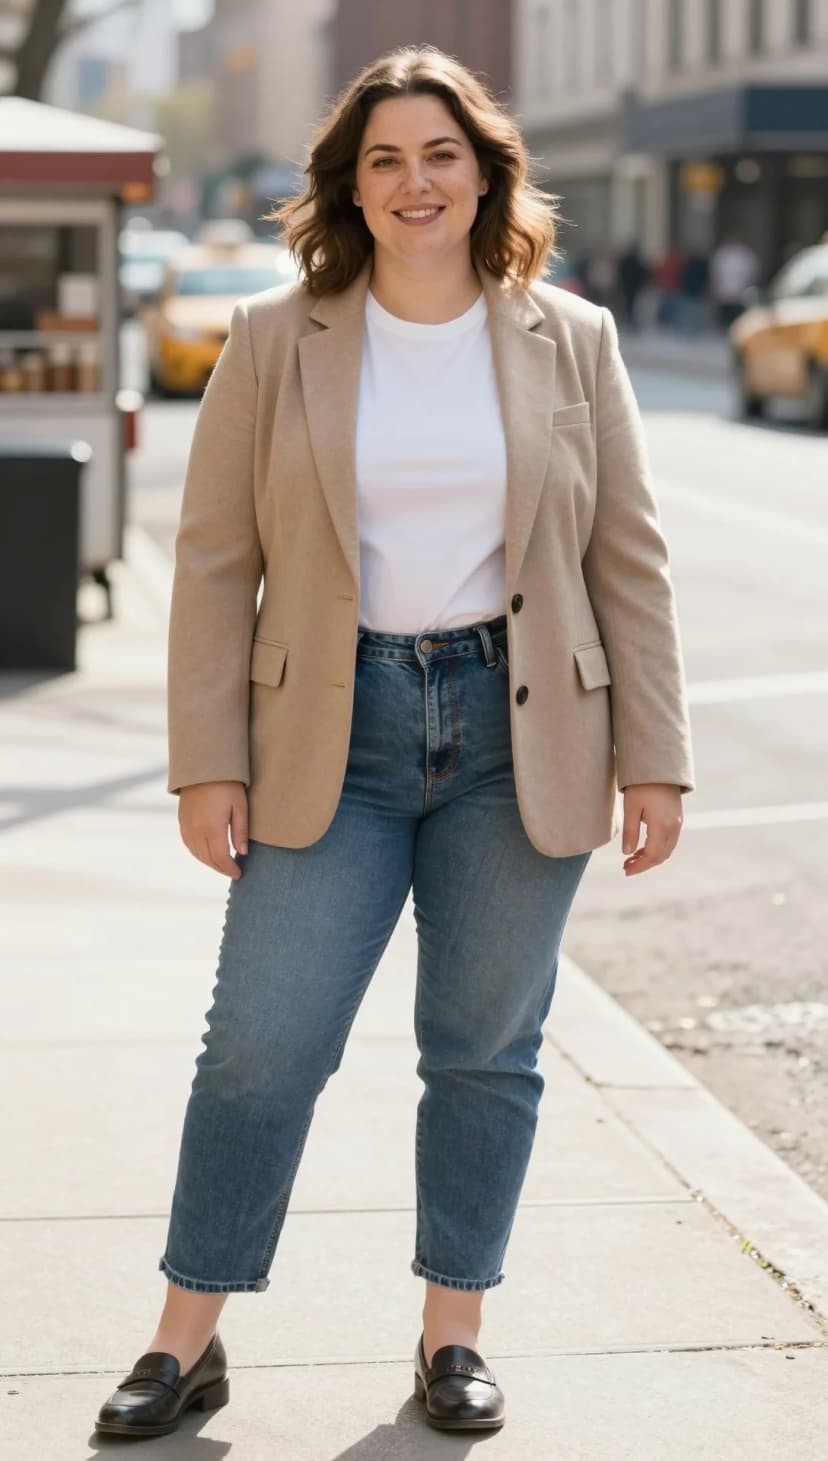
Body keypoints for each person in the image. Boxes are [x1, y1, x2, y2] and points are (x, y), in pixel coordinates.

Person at [95, 44, 694, 1440]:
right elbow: (207, 564)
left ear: (484, 173)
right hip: (332, 726)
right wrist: (207, 759)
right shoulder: (271, 336)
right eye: (384, 159)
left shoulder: (574, 338)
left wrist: (654, 756)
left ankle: (452, 1333)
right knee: (263, 1041)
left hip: (520, 726)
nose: (414, 182)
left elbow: (630, 561)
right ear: (349, 187)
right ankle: (189, 1335)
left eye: (440, 155)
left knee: (485, 1047)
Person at [709, 233, 761, 329]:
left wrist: (748, 285)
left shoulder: (745, 254)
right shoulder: (722, 254)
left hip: (740, 292)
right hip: (724, 292)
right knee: (725, 317)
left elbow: (753, 271)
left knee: (737, 318)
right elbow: (715, 272)